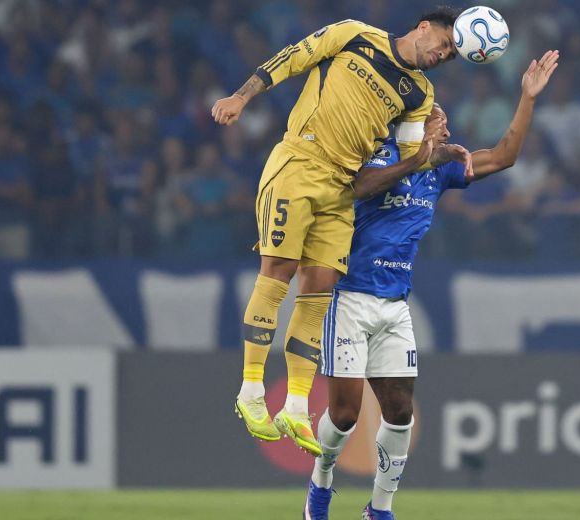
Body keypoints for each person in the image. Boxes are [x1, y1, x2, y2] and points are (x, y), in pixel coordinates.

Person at [303, 50, 559, 520]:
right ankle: (320, 486)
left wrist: (526, 98)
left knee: (400, 411)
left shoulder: (442, 170)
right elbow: (356, 189)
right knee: (343, 416)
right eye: (436, 120)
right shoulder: (373, 155)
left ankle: (379, 509)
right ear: (411, 125)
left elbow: (505, 156)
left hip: (395, 305)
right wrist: (416, 160)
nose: (445, 129)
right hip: (350, 296)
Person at [211, 8, 471, 457]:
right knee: (278, 271)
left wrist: (436, 154)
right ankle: (251, 391)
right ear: (424, 27)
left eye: (449, 55)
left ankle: (295, 406)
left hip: (342, 187)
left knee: (319, 290)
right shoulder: (355, 35)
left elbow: (407, 158)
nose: (442, 54)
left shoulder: (420, 94)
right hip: (299, 162)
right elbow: (291, 58)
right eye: (444, 43)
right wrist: (240, 97)